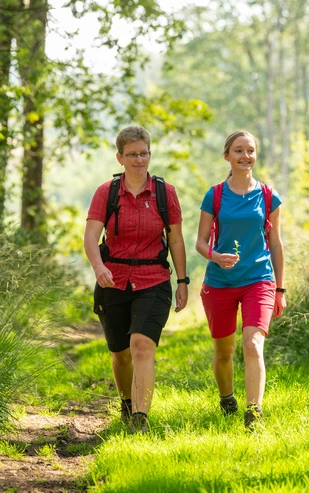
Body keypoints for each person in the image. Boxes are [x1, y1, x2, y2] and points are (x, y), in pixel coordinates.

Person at [84, 125, 189, 434]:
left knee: (142, 346)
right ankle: (127, 403)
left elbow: (177, 241)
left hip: (153, 278)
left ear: (150, 154)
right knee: (120, 353)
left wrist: (182, 281)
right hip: (113, 280)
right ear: (120, 157)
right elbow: (91, 236)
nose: (139, 160)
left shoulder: (164, 192)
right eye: (132, 155)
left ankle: (140, 419)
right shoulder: (107, 192)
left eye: (144, 153)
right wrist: (98, 267)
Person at [195, 130, 285, 430]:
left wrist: (280, 289)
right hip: (220, 282)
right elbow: (200, 241)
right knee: (224, 352)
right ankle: (227, 399)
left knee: (253, 344)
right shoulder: (215, 195)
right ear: (227, 156)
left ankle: (253, 414)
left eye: (250, 150)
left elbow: (276, 243)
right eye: (238, 151)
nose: (245, 156)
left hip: (259, 279)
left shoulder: (269, 196)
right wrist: (215, 256)